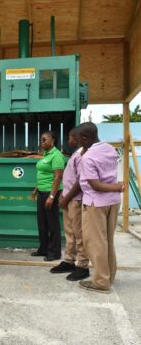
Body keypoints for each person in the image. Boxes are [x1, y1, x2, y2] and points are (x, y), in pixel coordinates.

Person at [78, 122, 124, 293]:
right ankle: (108, 276)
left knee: (96, 243)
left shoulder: (88, 157)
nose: (78, 142)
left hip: (95, 204)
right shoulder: (110, 149)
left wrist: (117, 186)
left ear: (84, 138)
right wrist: (116, 187)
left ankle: (100, 282)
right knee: (108, 241)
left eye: (79, 139)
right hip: (113, 202)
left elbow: (95, 185)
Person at [51, 128, 89, 280]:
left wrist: (66, 199)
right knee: (70, 233)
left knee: (79, 234)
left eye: (70, 138)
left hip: (76, 199)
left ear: (78, 138)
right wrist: (63, 196)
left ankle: (83, 266)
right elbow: (69, 179)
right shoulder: (76, 154)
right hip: (68, 198)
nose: (68, 141)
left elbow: (80, 181)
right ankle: (69, 260)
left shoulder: (82, 157)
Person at [30, 130, 65, 261]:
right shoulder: (45, 154)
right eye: (41, 140)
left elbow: (57, 178)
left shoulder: (56, 155)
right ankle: (43, 249)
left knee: (52, 224)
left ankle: (55, 253)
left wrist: (51, 196)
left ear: (53, 140)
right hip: (41, 192)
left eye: (44, 139)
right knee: (42, 223)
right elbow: (43, 175)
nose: (42, 142)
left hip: (51, 193)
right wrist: (35, 189)